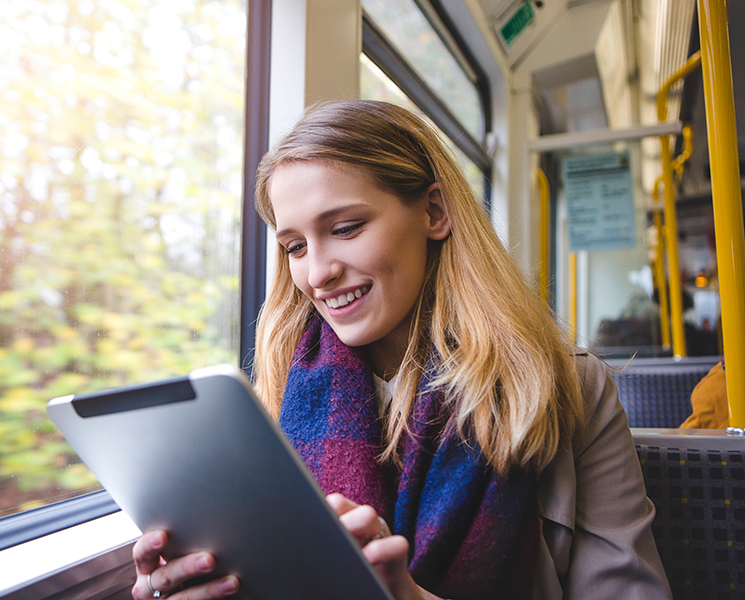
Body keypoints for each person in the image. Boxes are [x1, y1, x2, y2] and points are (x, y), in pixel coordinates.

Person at [131, 100, 671, 600]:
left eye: (345, 228)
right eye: (295, 247)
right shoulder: (274, 400)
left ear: (434, 212)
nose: (317, 273)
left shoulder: (566, 387)